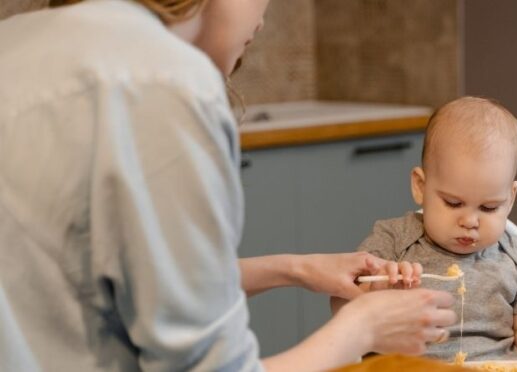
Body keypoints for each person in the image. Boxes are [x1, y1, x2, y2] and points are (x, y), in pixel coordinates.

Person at [0, 1, 456, 371]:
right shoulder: (165, 83)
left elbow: (106, 278)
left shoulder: (18, 39)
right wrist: (362, 329)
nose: (263, 16)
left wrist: (294, 269)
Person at [331, 97, 517, 362]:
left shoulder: (516, 256)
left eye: (489, 208)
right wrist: (376, 293)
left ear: (510, 198)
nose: (470, 221)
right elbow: (341, 307)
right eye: (453, 203)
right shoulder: (392, 241)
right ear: (420, 186)